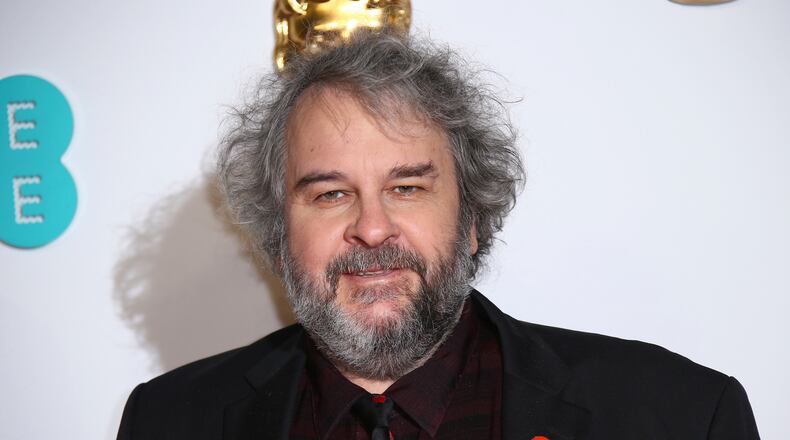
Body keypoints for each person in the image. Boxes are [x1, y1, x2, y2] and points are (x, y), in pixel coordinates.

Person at [117, 32, 760, 440]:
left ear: (473, 218)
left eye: (407, 187)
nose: (371, 228)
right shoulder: (169, 422)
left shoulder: (678, 417)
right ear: (279, 237)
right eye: (331, 194)